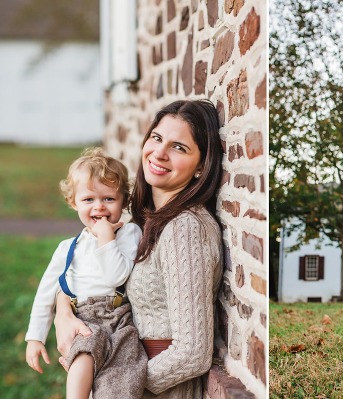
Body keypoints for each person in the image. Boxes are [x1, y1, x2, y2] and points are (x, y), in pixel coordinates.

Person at [54, 99, 224, 398]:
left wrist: (113, 382)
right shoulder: (143, 222)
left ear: (201, 167)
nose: (159, 153)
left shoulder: (185, 228)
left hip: (155, 387)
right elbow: (88, 271)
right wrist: (63, 314)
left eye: (179, 147)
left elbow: (193, 352)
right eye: (157, 138)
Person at [25, 148, 146, 399]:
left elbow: (116, 277)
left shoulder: (129, 234)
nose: (99, 207)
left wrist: (106, 237)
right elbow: (46, 293)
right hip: (84, 319)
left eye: (109, 199)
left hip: (119, 317)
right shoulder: (67, 248)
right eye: (89, 199)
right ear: (74, 202)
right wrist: (35, 338)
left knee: (123, 376)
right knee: (85, 350)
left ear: (123, 201)